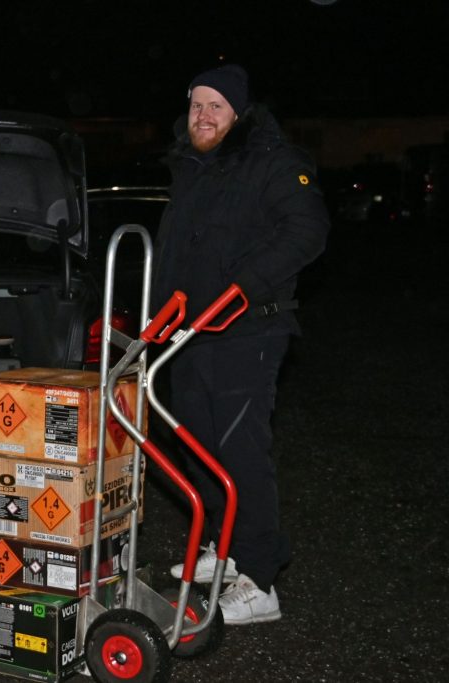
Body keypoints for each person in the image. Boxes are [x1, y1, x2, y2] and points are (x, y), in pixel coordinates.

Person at [153, 65, 329, 625]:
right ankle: (223, 549)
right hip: (191, 332)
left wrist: (243, 288)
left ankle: (260, 578)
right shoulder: (193, 167)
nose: (202, 116)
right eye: (196, 104)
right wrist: (158, 315)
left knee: (239, 450)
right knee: (197, 443)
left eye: (216, 107)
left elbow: (307, 231)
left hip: (248, 330)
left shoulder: (274, 162)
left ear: (240, 114)